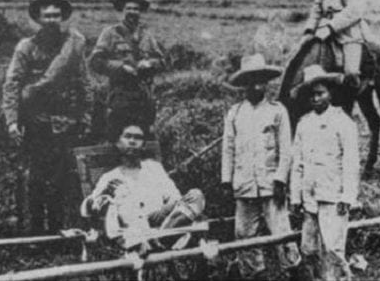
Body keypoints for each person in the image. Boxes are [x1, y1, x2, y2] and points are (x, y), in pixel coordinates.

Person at [2, 0, 89, 234]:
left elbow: (84, 82)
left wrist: (85, 116)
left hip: (65, 123)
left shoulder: (72, 45)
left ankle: (57, 230)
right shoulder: (27, 47)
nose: (52, 20)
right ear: (38, 19)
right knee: (35, 179)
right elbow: (12, 85)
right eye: (47, 15)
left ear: (62, 18)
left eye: (56, 15)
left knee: (61, 178)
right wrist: (12, 121)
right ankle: (36, 231)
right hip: (35, 124)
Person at [221, 53, 301, 279]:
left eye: (262, 80)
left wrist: (280, 180)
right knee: (244, 234)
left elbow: (286, 149)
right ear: (244, 84)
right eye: (252, 80)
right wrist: (227, 181)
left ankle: (292, 270)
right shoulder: (235, 113)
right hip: (243, 184)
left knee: (281, 230)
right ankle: (254, 274)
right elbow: (228, 149)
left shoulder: (277, 111)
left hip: (270, 184)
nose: (258, 85)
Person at [80, 122, 205, 246]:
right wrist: (104, 193)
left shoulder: (154, 168)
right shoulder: (109, 177)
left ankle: (161, 238)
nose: (132, 141)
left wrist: (167, 208)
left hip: (161, 217)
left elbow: (174, 196)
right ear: (118, 143)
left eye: (138, 138)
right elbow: (86, 210)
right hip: (134, 225)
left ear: (143, 145)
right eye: (127, 136)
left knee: (196, 195)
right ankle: (165, 238)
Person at [290, 64, 360, 281]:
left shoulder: (343, 122)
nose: (316, 98)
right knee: (309, 249)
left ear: (331, 93)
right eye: (312, 95)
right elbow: (298, 164)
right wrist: (295, 197)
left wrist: (348, 196)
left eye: (320, 93)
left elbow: (351, 163)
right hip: (310, 198)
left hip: (333, 197)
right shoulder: (304, 124)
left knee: (332, 249)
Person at [88, 0, 165, 140]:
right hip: (119, 96)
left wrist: (149, 63)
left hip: (144, 98)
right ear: (121, 11)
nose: (132, 12)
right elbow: (96, 61)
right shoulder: (110, 33)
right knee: (117, 136)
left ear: (140, 12)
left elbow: (161, 62)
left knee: (143, 137)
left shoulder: (147, 36)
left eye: (136, 9)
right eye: (128, 9)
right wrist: (120, 67)